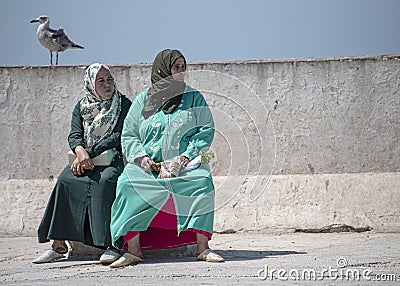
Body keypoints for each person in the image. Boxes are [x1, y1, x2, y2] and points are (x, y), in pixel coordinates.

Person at [109, 49, 224, 268]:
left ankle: (203, 247)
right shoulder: (144, 99)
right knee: (126, 183)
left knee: (202, 182)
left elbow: (205, 131)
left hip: (183, 165)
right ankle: (133, 250)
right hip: (149, 166)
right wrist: (141, 158)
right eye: (175, 67)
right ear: (162, 69)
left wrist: (185, 157)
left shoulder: (193, 98)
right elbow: (129, 134)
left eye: (183, 67)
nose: (180, 72)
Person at [32, 63, 132, 264]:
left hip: (112, 160)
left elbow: (116, 136)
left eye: (109, 80)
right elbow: (75, 134)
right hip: (84, 159)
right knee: (65, 180)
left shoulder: (123, 104)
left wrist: (88, 154)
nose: (107, 85)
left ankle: (111, 245)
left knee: (104, 183)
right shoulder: (82, 106)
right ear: (90, 84)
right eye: (101, 81)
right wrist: (79, 151)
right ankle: (58, 244)